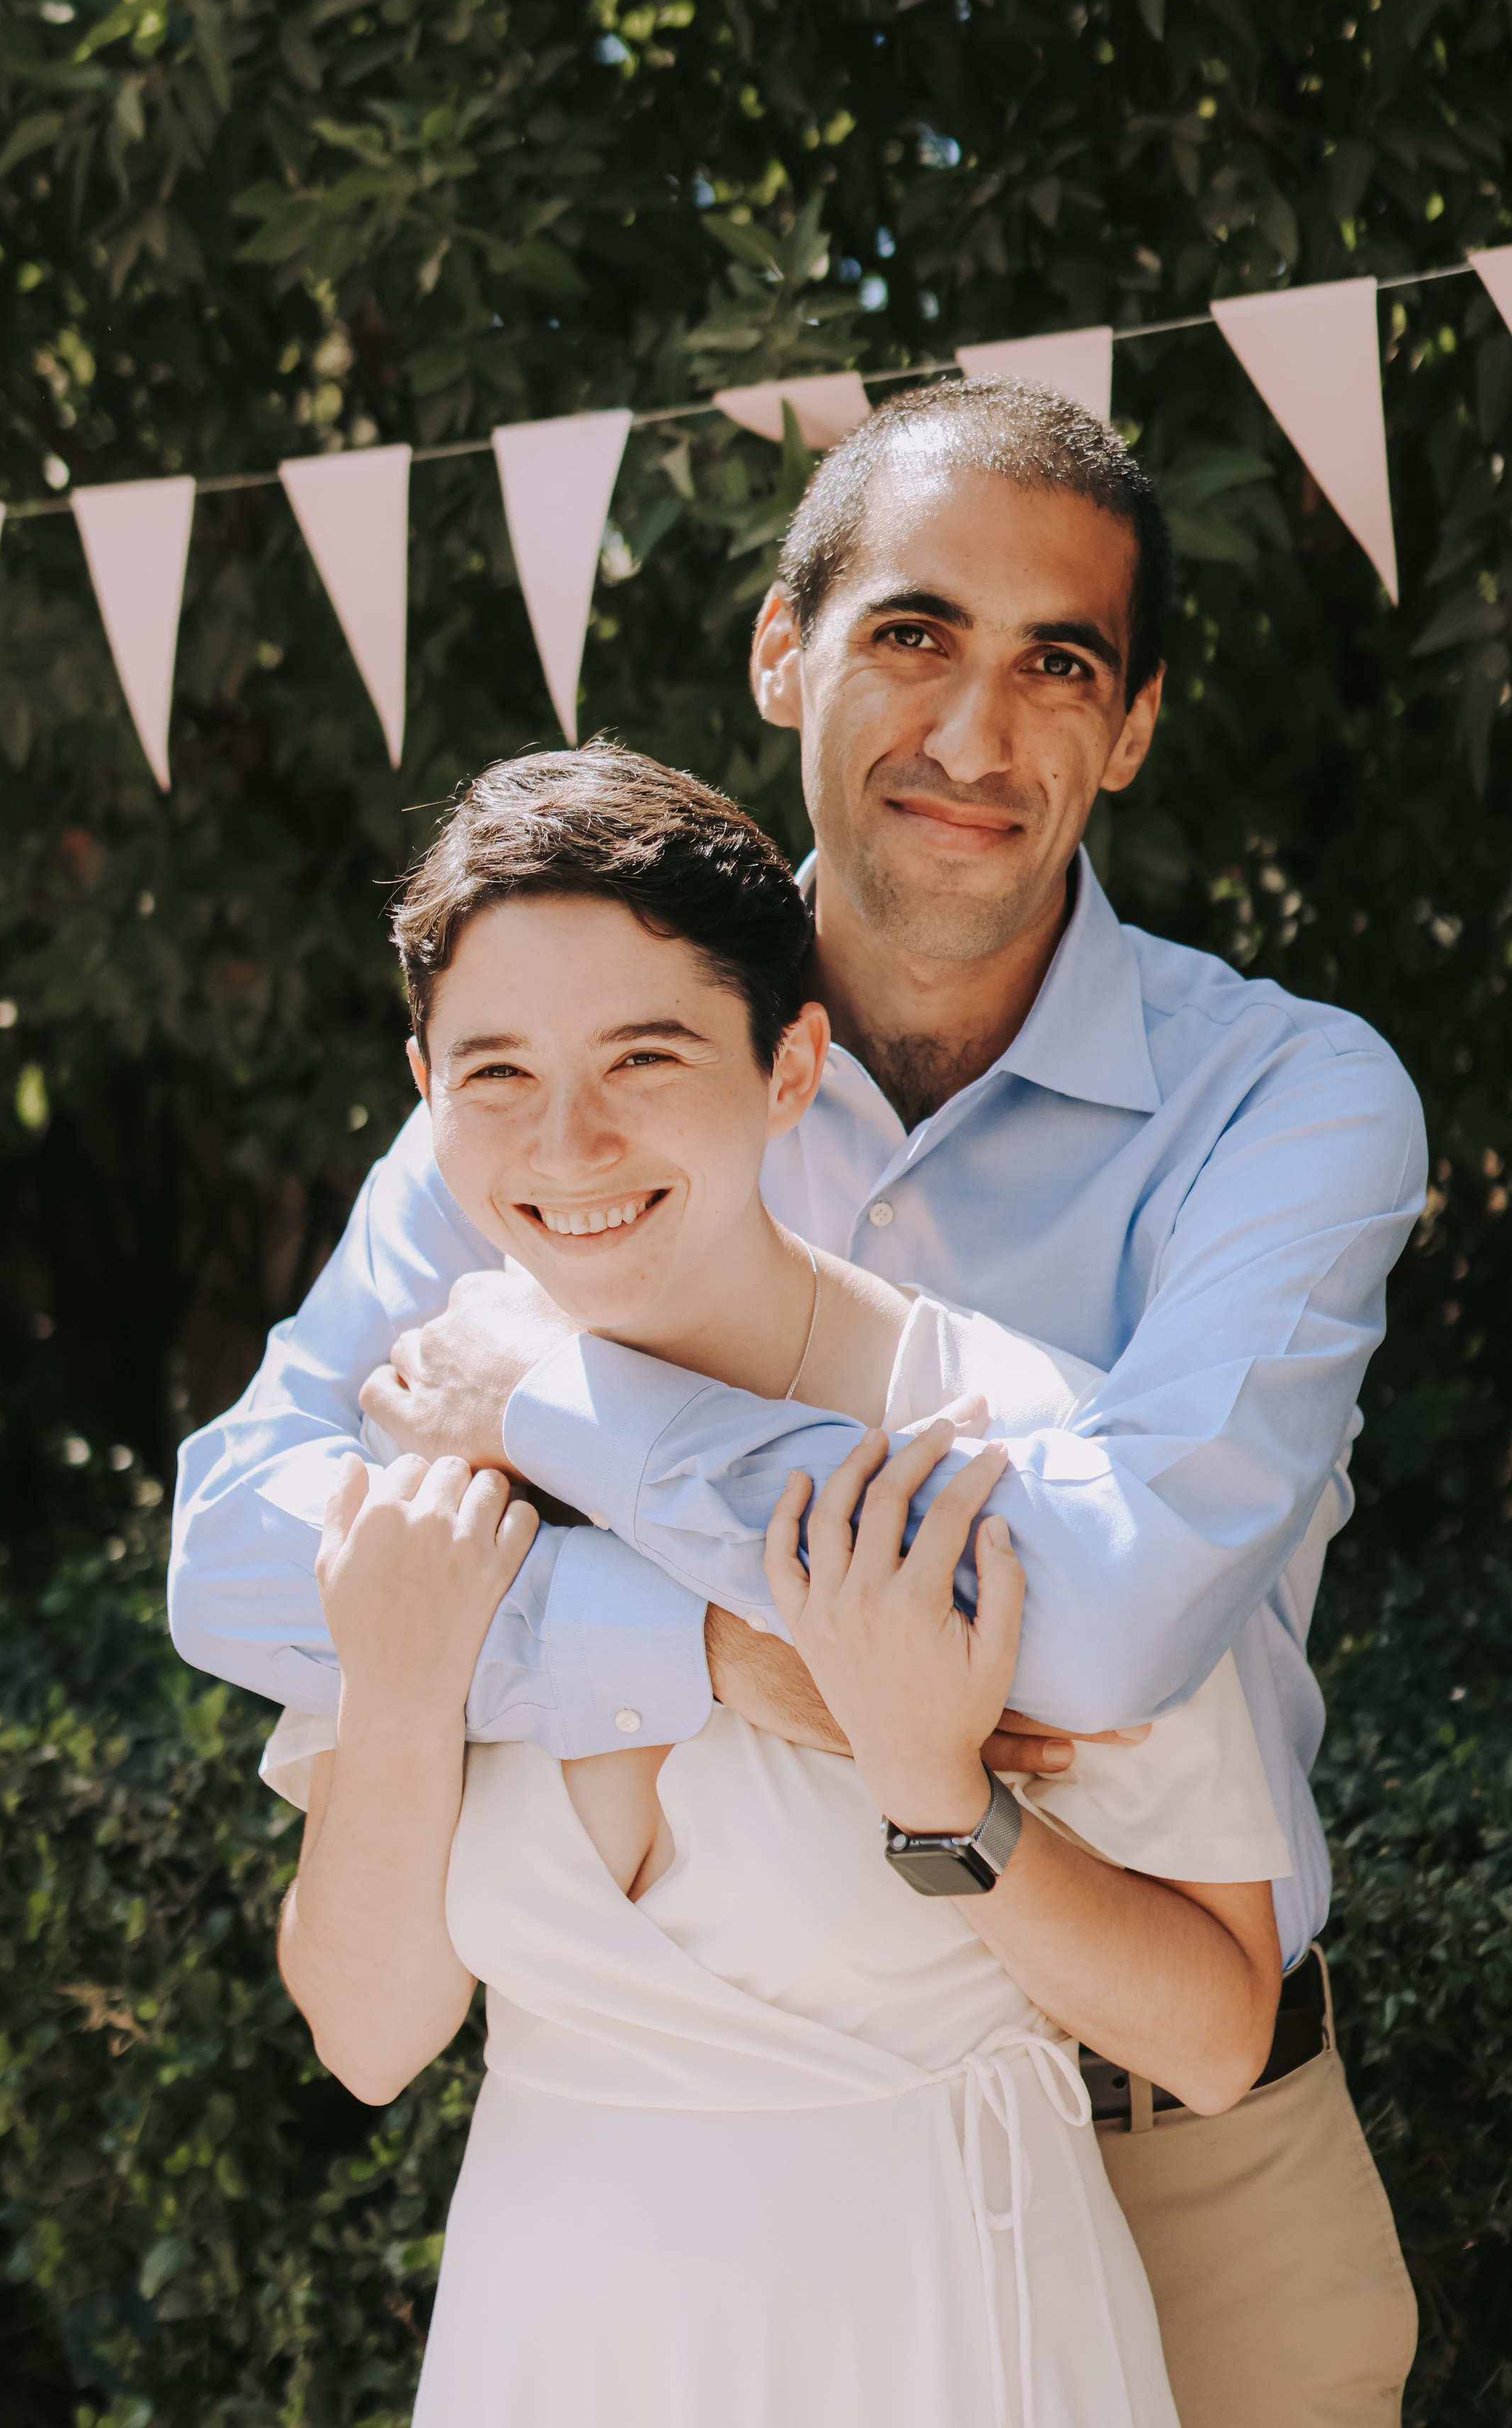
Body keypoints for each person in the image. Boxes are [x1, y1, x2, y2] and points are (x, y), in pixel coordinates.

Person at [171, 376, 1427, 2425]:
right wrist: (704, 1646)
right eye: (913, 632)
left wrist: (568, 1411)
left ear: (1132, 725)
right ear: (782, 650)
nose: (975, 733)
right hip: (644, 2219)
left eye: (1059, 664)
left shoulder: (1284, 1100)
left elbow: (1109, 1614)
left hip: (1171, 2124)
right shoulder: (570, 1095)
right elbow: (240, 1550)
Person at [274, 749, 1290, 2425]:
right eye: (496, 1071)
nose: (569, 1140)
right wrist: (393, 1689)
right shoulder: (425, 1444)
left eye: (644, 1056)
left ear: (790, 1065)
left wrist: (940, 1799)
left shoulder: (1008, 1444)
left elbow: (1213, 2033)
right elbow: (370, 2036)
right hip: (554, 2345)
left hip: (932, 2333)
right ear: (423, 1090)